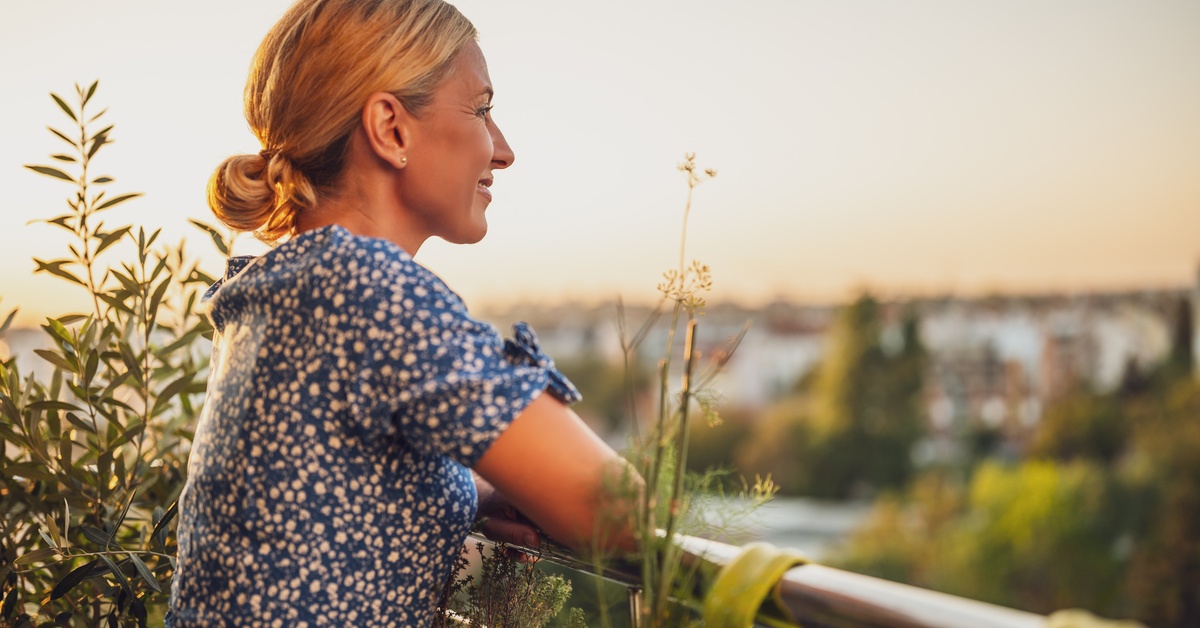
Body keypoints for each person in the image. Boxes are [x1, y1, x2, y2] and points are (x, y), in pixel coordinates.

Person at [166, 0, 637, 625]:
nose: (503, 151)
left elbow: (332, 499)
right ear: (391, 128)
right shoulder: (367, 289)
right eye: (481, 109)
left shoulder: (278, 289)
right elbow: (625, 515)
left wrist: (482, 490)